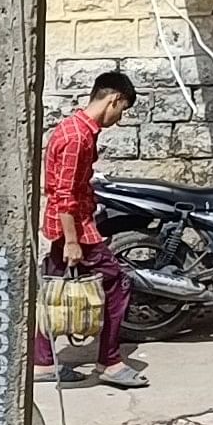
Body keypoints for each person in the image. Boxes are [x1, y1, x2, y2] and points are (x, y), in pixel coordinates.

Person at [40, 69, 145, 390]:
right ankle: (110, 362)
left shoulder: (74, 128)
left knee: (54, 290)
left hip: (67, 225)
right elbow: (65, 194)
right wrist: (73, 241)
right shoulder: (78, 137)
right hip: (75, 229)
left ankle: (42, 361)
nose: (120, 118)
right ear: (113, 100)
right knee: (117, 284)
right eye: (122, 110)